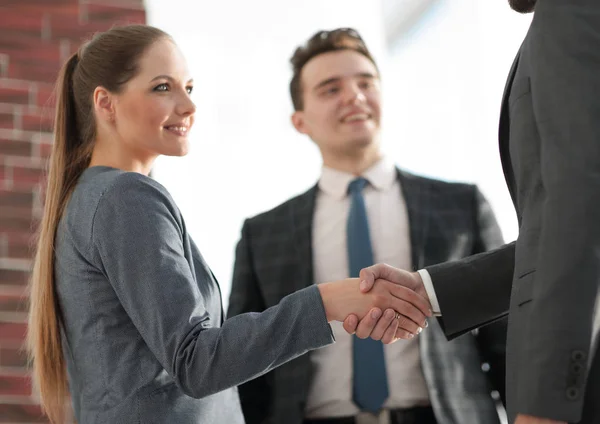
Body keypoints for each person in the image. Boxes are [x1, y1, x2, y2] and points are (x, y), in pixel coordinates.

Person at [25, 24, 432, 424]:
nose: (188, 105)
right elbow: (197, 362)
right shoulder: (126, 197)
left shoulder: (90, 199)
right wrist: (328, 301)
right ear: (106, 103)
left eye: (189, 87)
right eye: (162, 87)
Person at [227, 27, 508, 424]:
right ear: (300, 121)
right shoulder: (261, 234)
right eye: (330, 88)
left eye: (365, 83)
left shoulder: (461, 204)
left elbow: (507, 334)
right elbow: (248, 357)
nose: (354, 96)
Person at [350, 1, 600, 423]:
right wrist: (428, 291)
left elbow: (582, 214)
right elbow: (555, 234)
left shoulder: (571, 11)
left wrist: (549, 402)